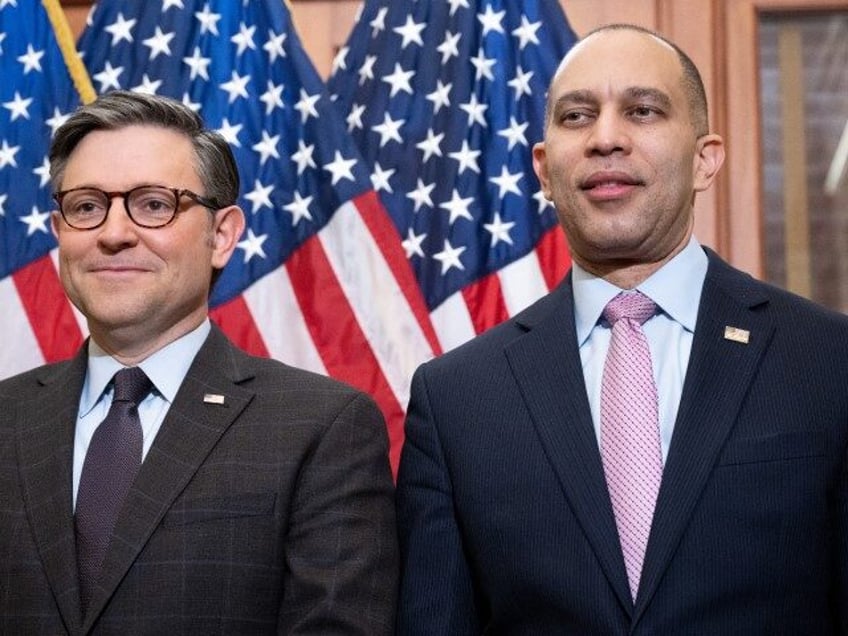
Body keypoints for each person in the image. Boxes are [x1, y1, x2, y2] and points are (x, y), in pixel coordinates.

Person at [395, 23, 848, 633]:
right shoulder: (455, 400)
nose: (606, 138)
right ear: (544, 170)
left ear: (704, 160)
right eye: (577, 116)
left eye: (642, 110)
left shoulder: (828, 361)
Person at [0, 90, 398, 634]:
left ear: (222, 235)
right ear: (60, 233)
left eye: (155, 204)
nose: (114, 234)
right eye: (87, 206)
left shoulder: (321, 427)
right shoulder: (6, 416)